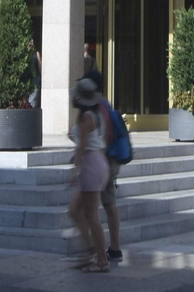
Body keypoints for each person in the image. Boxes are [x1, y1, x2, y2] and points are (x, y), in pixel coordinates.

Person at [68, 77, 110, 274]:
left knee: (91, 216)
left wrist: (76, 171)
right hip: (98, 162)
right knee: (75, 210)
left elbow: (82, 146)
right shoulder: (96, 114)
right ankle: (90, 251)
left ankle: (101, 260)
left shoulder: (86, 117)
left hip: (90, 165)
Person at [84, 69, 123, 262]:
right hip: (109, 159)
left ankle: (100, 251)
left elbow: (105, 135)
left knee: (101, 206)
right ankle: (112, 248)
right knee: (108, 204)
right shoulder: (104, 104)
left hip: (105, 159)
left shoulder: (98, 106)